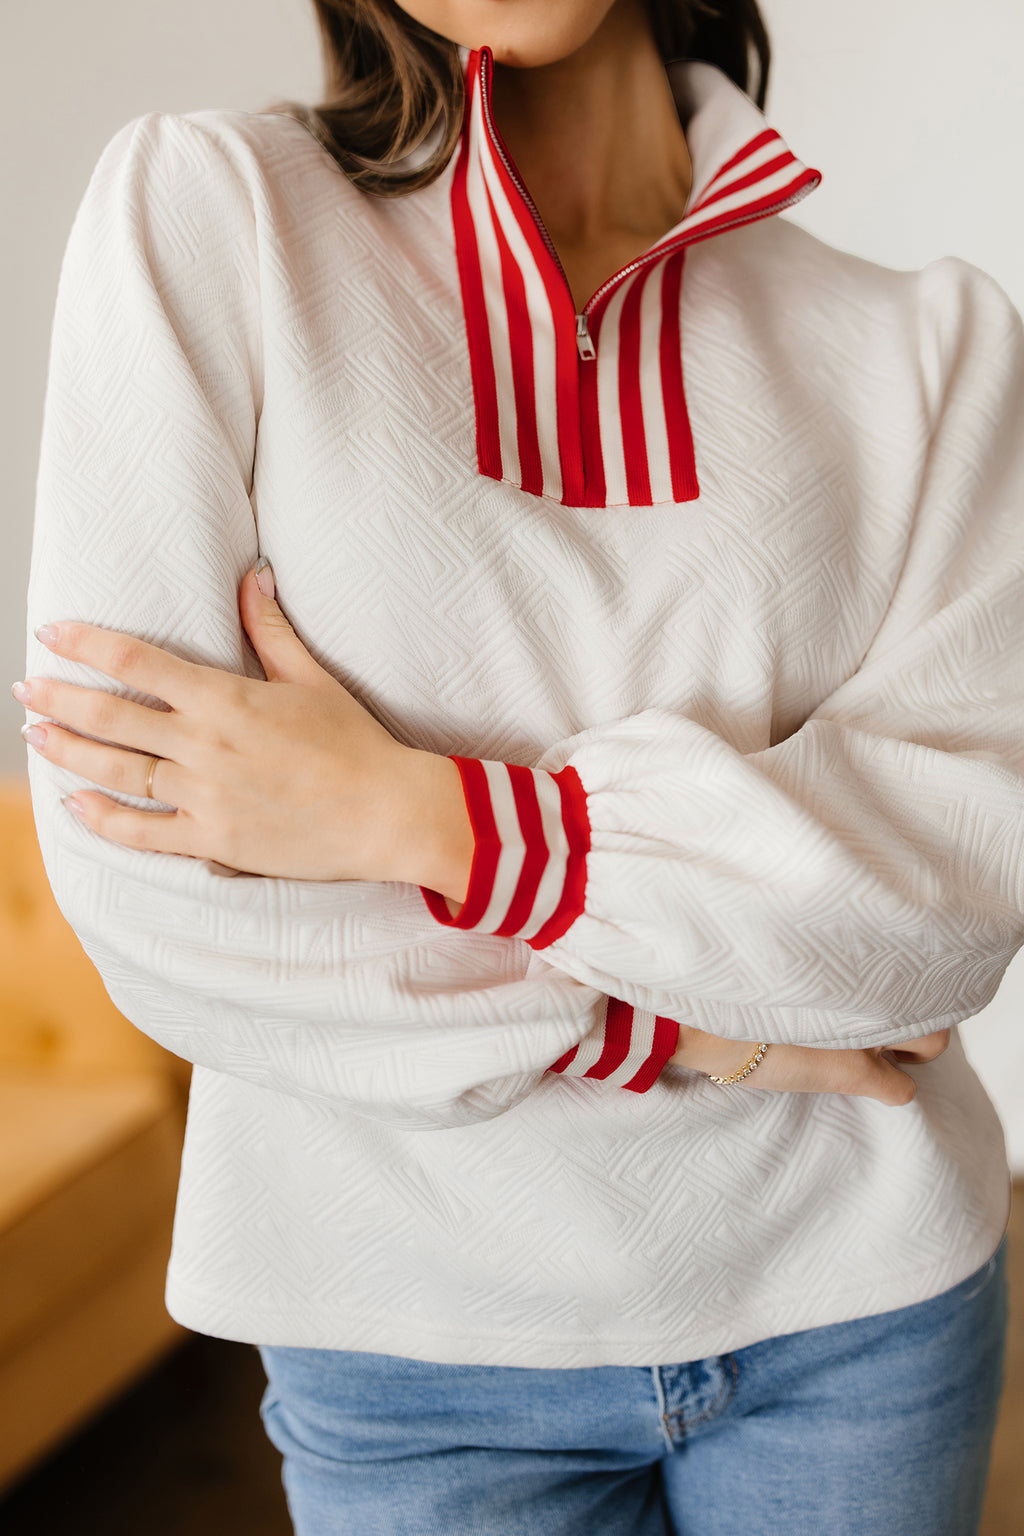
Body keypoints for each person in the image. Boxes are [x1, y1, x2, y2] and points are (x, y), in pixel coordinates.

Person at [17, 0, 1023, 1530]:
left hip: (865, 1307)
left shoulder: (935, 345)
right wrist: (716, 1026)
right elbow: (157, 893)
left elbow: (955, 891)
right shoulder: (213, 218)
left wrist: (424, 820)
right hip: (411, 1341)